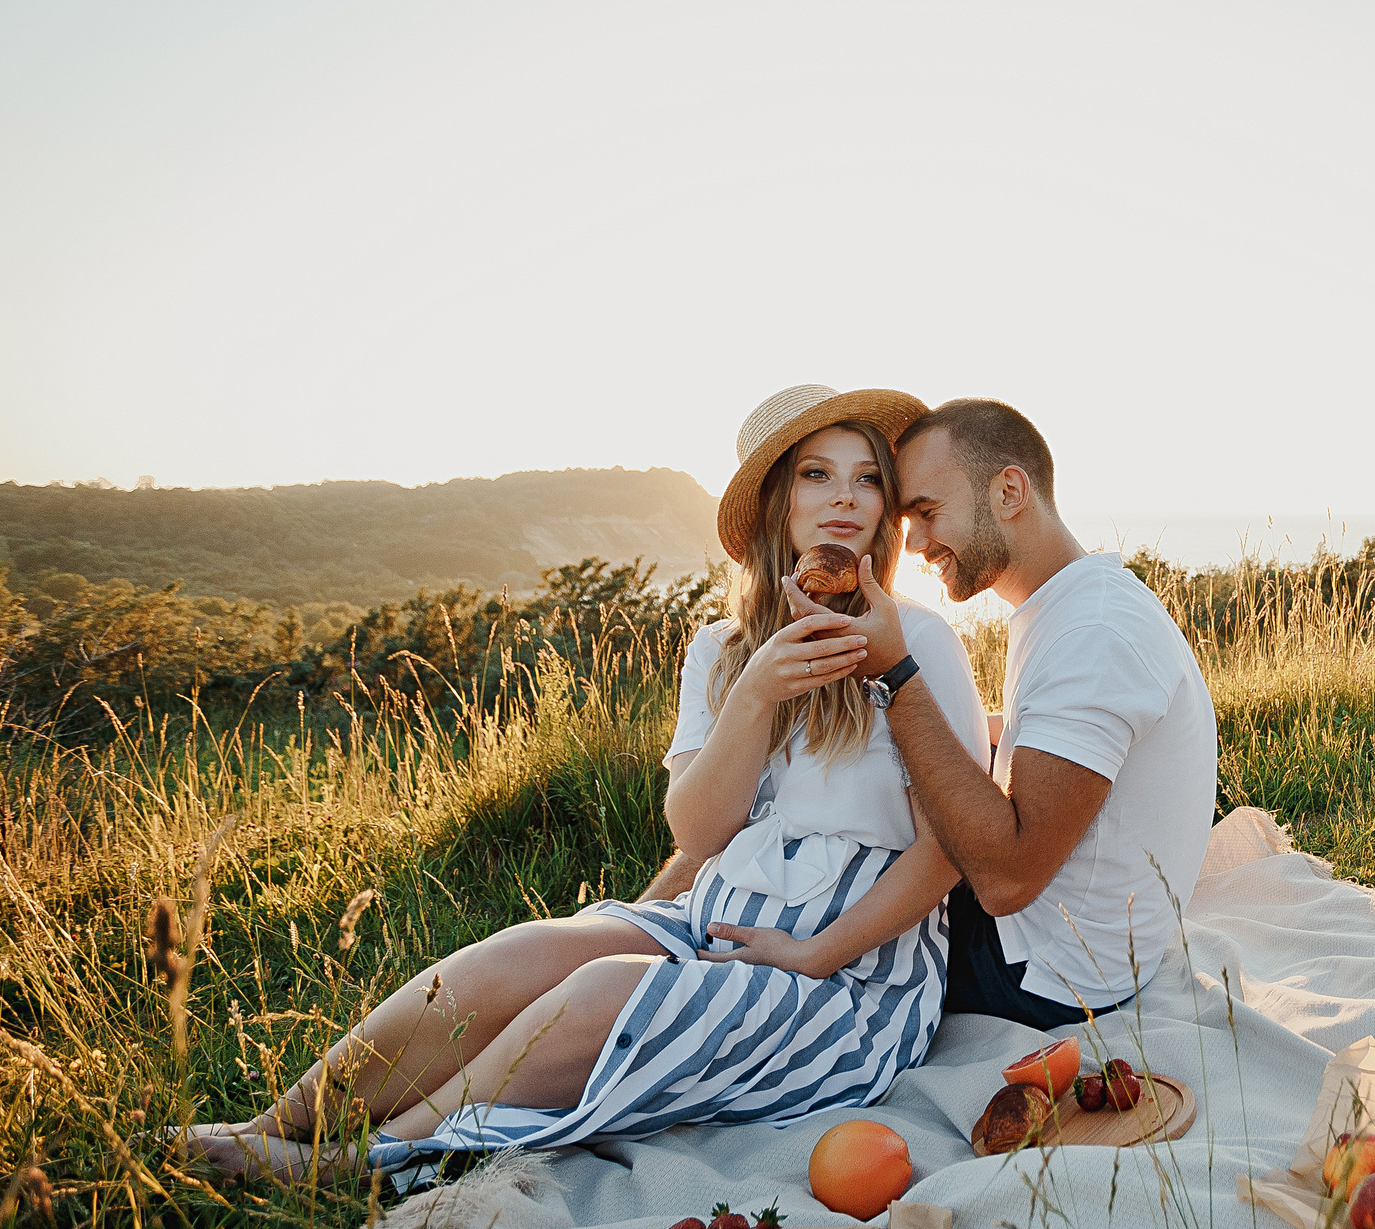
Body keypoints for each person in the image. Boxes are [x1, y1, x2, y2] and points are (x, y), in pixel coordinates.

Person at [185, 384, 990, 1177]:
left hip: (853, 979)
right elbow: (700, 835)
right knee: (519, 953)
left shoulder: (921, 643)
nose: (846, 498)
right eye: (817, 473)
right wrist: (756, 694)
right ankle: (275, 1121)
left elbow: (948, 851)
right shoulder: (723, 650)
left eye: (868, 477)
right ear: (779, 499)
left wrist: (814, 954)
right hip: (715, 922)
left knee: (604, 990)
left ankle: (361, 1158)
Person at [833, 398, 1219, 1028]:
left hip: (1048, 970)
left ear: (1009, 490)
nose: (917, 543)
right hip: (1074, 938)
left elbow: (1007, 881)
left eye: (926, 513)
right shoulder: (1072, 605)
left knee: (820, 896)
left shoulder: (1093, 632)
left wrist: (896, 676)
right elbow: (1046, 741)